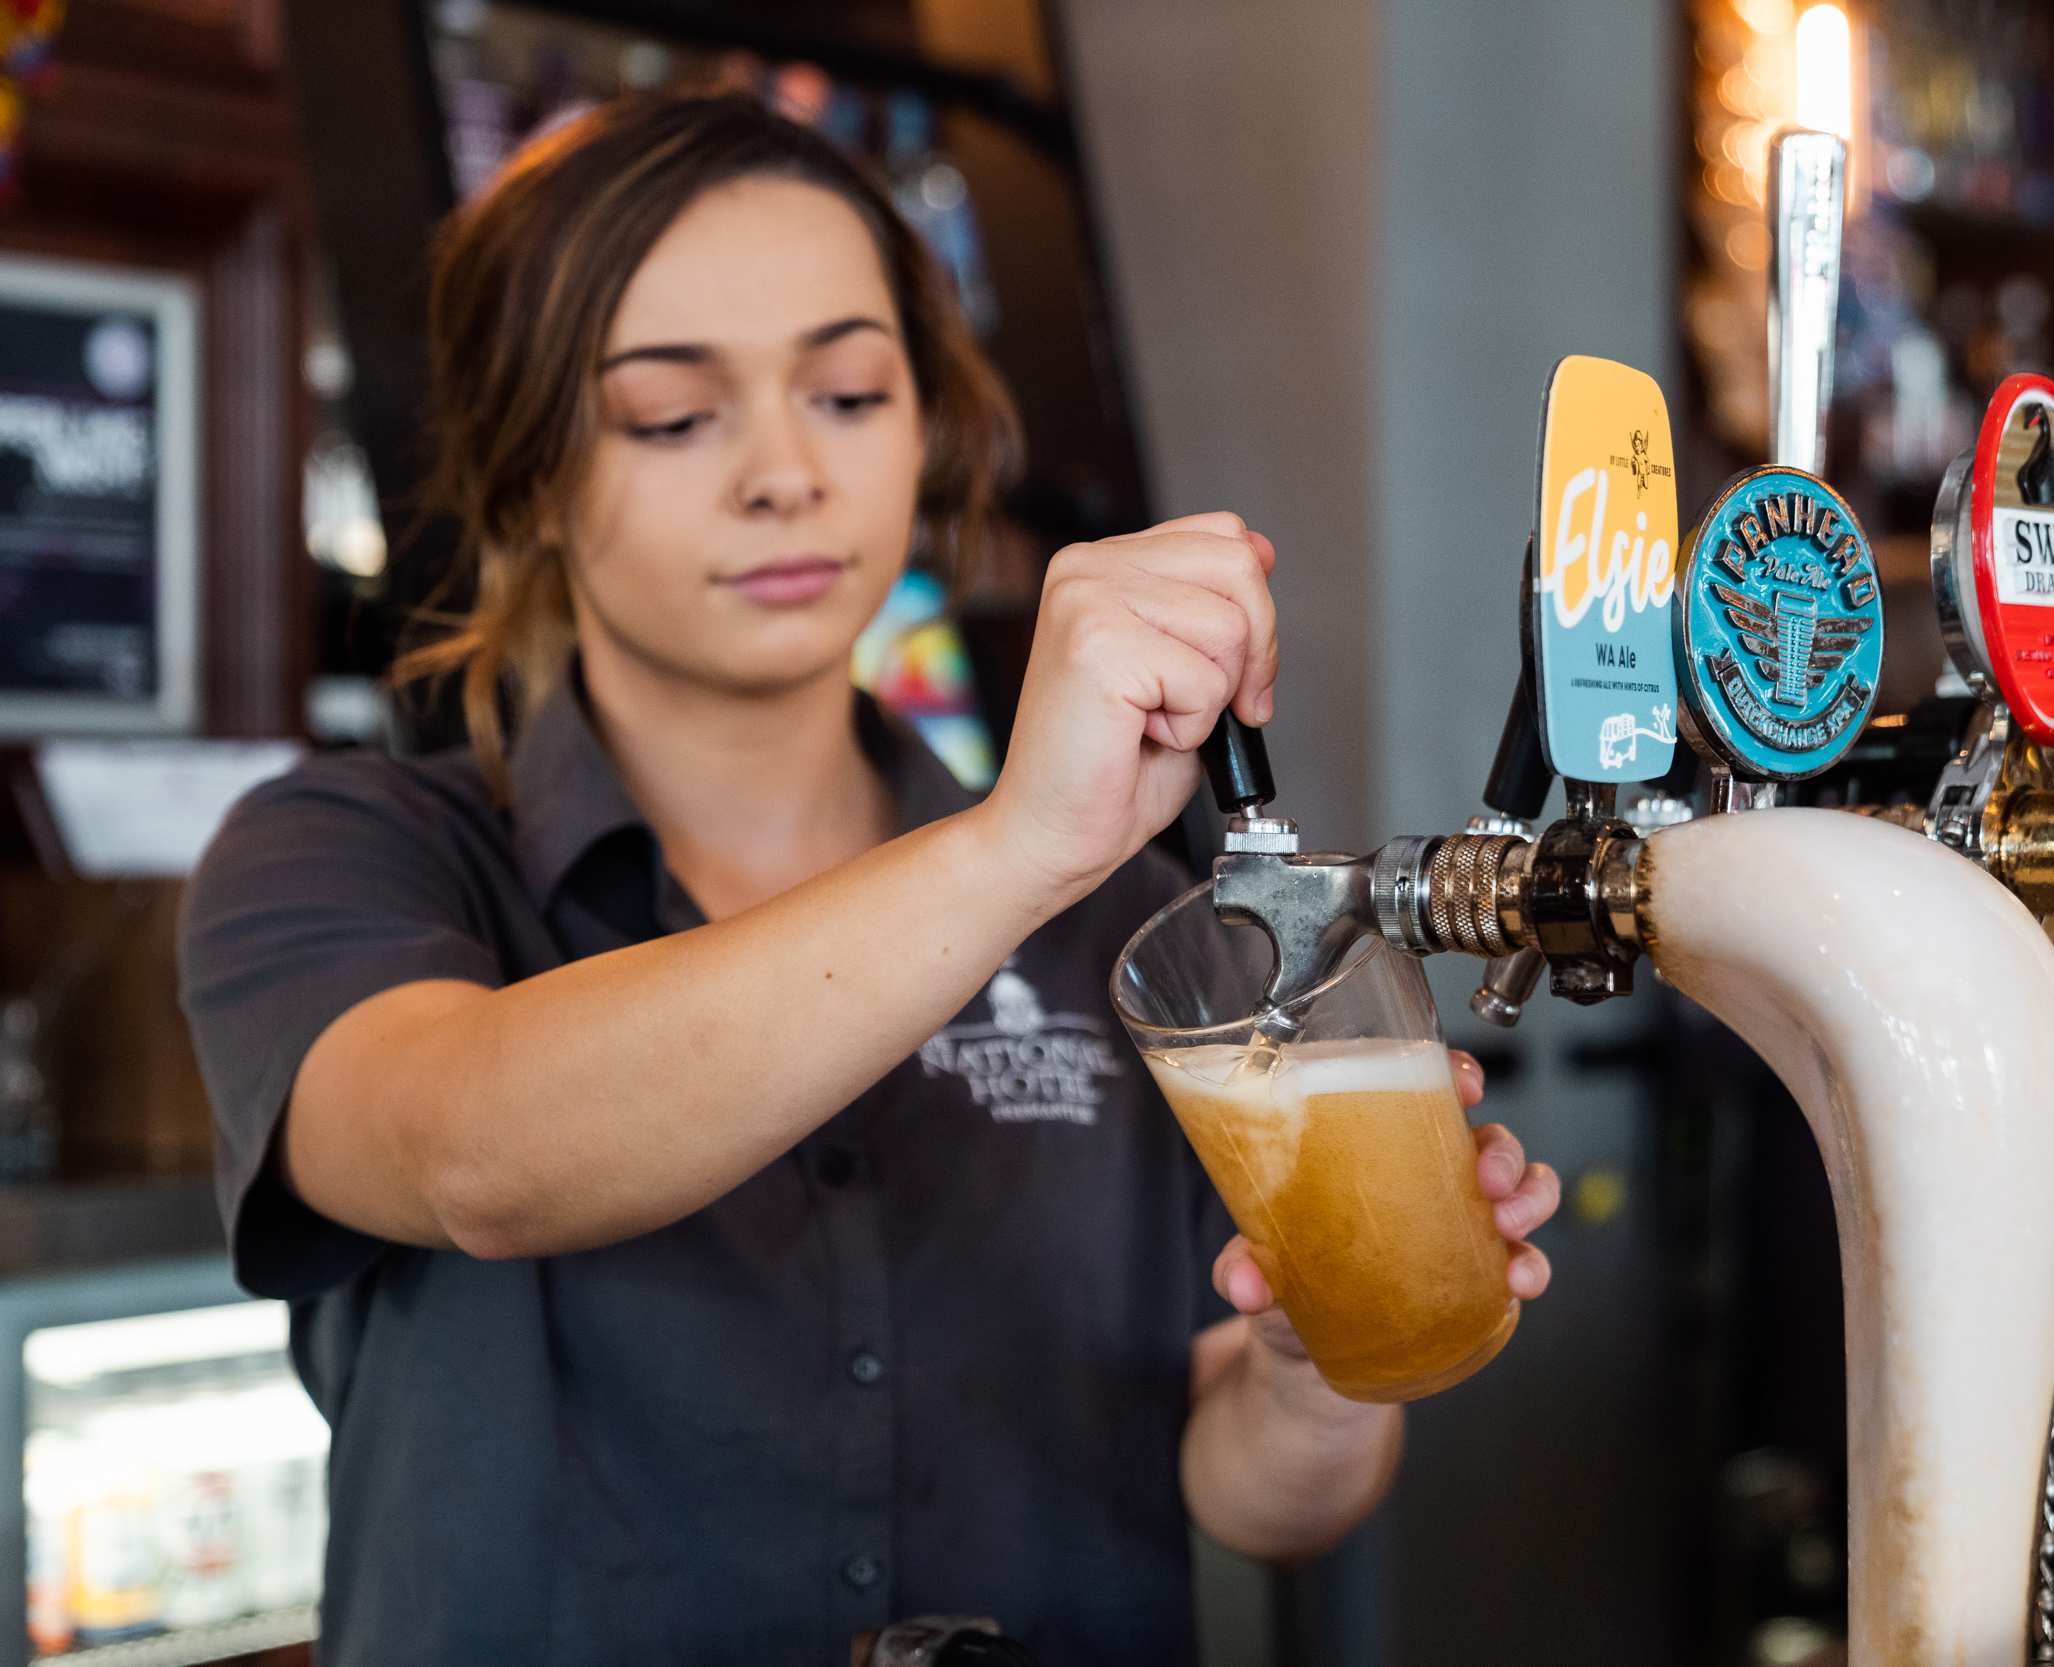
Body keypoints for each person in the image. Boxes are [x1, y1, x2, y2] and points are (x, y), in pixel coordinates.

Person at [178, 93, 1558, 1666]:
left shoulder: (1128, 923)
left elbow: (1244, 1488)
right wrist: (1013, 849)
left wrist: (1315, 1371)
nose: (784, 475)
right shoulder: (343, 857)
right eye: (671, 416)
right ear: (529, 476)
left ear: (928, 428)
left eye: (845, 391)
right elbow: (473, 1156)